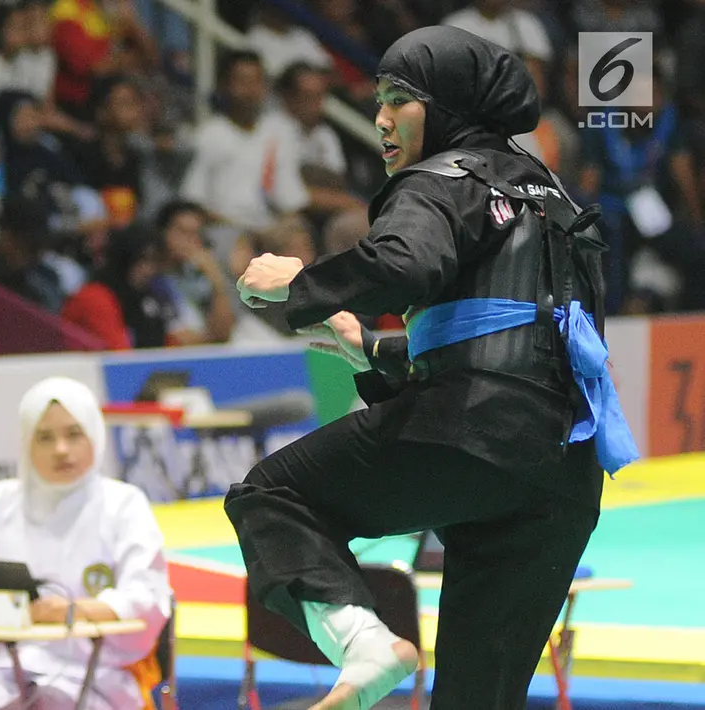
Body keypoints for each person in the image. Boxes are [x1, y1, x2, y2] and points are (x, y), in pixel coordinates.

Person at [228, 26, 639, 710]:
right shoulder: (554, 197)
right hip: (563, 477)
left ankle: (363, 643)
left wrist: (297, 284)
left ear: (447, 107)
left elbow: (403, 264)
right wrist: (372, 348)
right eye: (378, 100)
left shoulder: (437, 179)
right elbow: (532, 338)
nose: (381, 118)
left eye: (399, 99)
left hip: (474, 433)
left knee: (270, 494)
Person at [0, 376, 171, 710]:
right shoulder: (1, 502)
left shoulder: (123, 504)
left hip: (98, 676)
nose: (61, 450)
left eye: (74, 434)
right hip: (1, 669)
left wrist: (73, 612)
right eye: (45, 438)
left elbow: (146, 599)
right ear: (26, 443)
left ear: (94, 436)